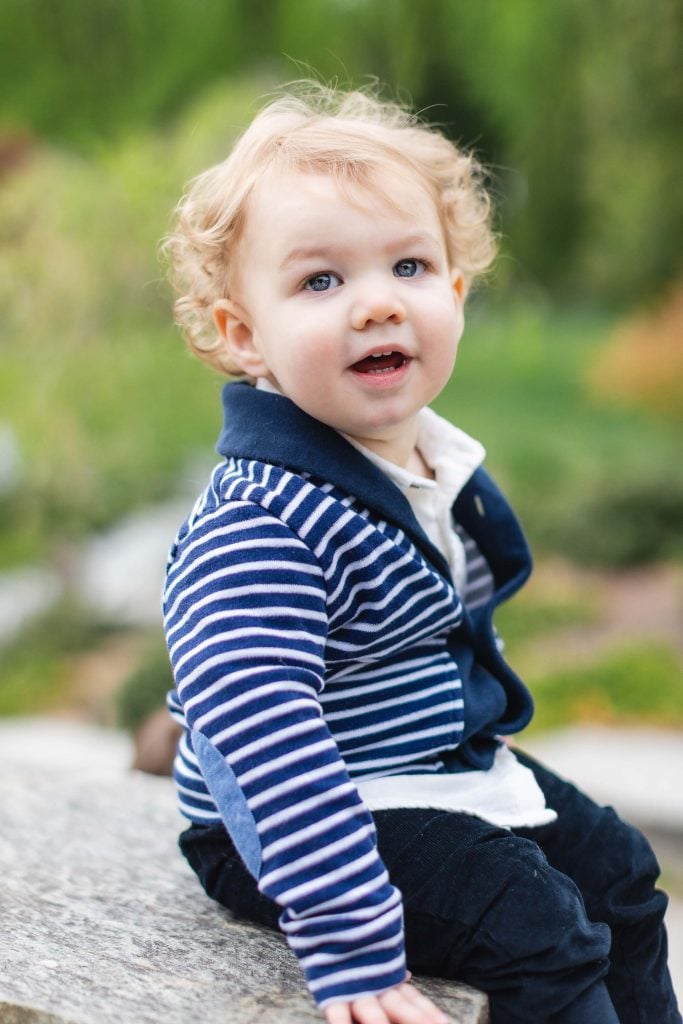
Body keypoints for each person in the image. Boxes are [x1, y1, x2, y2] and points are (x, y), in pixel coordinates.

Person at [161, 82, 680, 1024]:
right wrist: (351, 938)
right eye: (320, 281)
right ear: (244, 338)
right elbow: (257, 733)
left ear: (455, 289)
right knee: (537, 926)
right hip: (299, 818)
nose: (374, 306)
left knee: (618, 877)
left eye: (407, 266)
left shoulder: (429, 463)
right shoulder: (261, 520)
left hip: (429, 769)